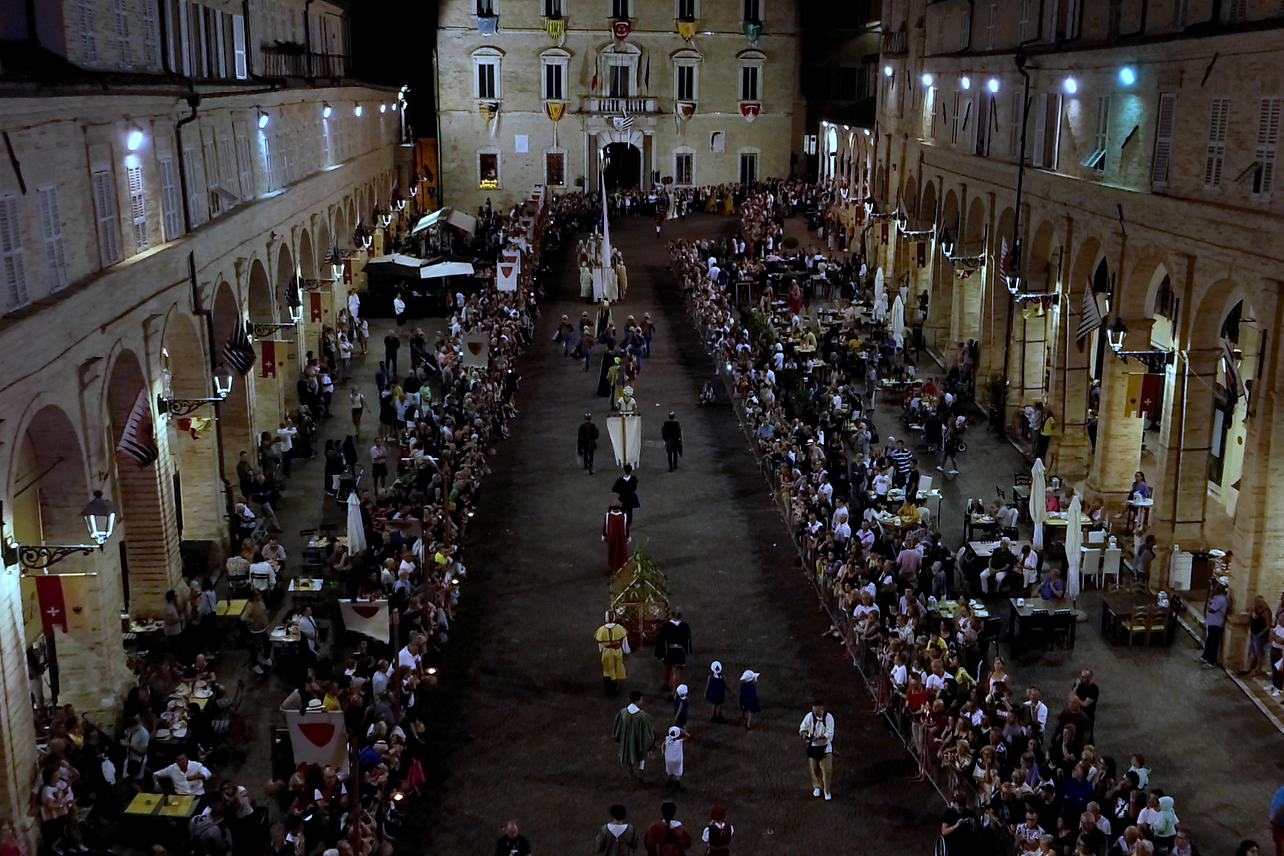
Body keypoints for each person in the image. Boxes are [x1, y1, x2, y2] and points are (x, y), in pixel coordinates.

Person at [613, 691, 657, 782]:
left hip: (627, 740)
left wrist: (619, 737)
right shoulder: (642, 715)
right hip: (639, 740)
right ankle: (641, 774)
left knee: (629, 756)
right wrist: (650, 740)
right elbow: (647, 731)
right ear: (638, 700)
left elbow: (618, 727)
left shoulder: (623, 712)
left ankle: (631, 772)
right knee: (641, 756)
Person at [798, 700, 835, 800]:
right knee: (814, 769)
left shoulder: (829, 718)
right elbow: (802, 729)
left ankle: (827, 790)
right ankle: (817, 787)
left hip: (825, 747)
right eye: (814, 710)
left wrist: (818, 737)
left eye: (817, 711)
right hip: (813, 747)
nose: (815, 713)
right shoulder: (809, 716)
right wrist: (806, 735)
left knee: (827, 770)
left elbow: (829, 734)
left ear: (822, 708)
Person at [654, 610, 693, 691]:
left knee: (667, 668)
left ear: (671, 615)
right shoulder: (685, 626)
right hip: (680, 651)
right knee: (678, 670)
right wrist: (688, 650)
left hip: (669, 651)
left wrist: (660, 653)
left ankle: (667, 684)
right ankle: (677, 689)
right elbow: (688, 639)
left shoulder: (666, 626)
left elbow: (661, 640)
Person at [596, 610, 630, 697]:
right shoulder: (620, 629)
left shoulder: (601, 630)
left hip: (606, 652)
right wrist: (626, 652)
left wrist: (602, 651)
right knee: (616, 670)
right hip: (617, 651)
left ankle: (608, 689)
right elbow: (624, 643)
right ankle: (613, 690)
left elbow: (600, 644)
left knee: (607, 671)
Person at [1202, 580, 1228, 667]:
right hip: (1211, 622)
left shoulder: (1221, 599)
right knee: (1209, 640)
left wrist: (1208, 604)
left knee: (1213, 642)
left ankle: (1211, 661)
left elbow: (1211, 609)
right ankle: (1205, 656)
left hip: (1216, 623)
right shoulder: (1216, 597)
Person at [603, 502, 631, 572]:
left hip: (612, 537)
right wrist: (627, 537)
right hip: (621, 538)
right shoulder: (623, 516)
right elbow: (626, 528)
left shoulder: (608, 516)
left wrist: (605, 535)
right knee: (620, 551)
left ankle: (613, 566)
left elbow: (606, 526)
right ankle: (621, 565)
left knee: (612, 551)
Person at [662, 726, 686, 791]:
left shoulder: (667, 740)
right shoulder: (679, 741)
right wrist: (682, 730)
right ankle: (677, 783)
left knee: (670, 769)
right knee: (678, 770)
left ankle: (670, 781)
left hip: (669, 759)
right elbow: (688, 736)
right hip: (678, 759)